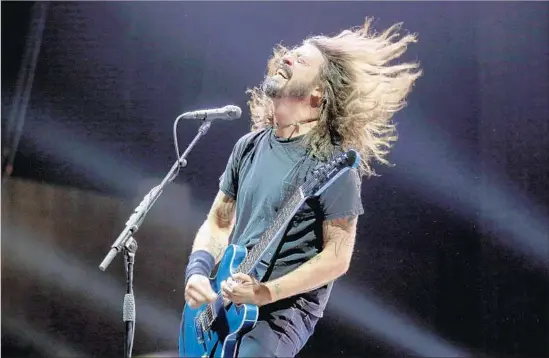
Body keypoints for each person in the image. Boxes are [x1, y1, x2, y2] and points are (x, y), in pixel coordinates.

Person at [183, 18, 421, 357]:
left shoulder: (331, 166)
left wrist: (265, 292)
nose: (288, 57)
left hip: (281, 313)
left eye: (302, 59)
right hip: (223, 305)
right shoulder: (248, 147)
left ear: (318, 92)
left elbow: (337, 257)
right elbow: (219, 222)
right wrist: (198, 271)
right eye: (290, 53)